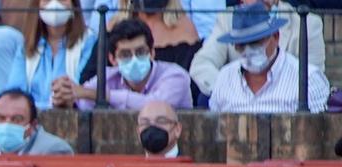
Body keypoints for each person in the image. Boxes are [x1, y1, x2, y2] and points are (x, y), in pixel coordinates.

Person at [189, 0, 324, 101]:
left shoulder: (308, 22)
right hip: (236, 110)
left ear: (276, 36)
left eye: (257, 42)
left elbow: (311, 80)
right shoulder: (227, 18)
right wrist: (230, 91)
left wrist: (268, 98)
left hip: (286, 108)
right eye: (241, 45)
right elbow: (201, 64)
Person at [55, 19, 192, 110]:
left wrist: (103, 95)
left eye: (140, 52)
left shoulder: (176, 76)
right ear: (113, 59)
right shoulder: (107, 77)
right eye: (125, 54)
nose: (134, 59)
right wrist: (65, 98)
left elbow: (154, 107)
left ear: (152, 53)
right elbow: (83, 102)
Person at [0, 0, 96, 110]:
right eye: (47, 0)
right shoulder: (27, 46)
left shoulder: (89, 42)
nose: (54, 4)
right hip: (29, 119)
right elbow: (16, 91)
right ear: (37, 5)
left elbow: (78, 89)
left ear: (74, 5)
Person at [0, 88, 73, 155]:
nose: (7, 124)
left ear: (32, 125)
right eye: (0, 118)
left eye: (17, 119)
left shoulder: (53, 149)